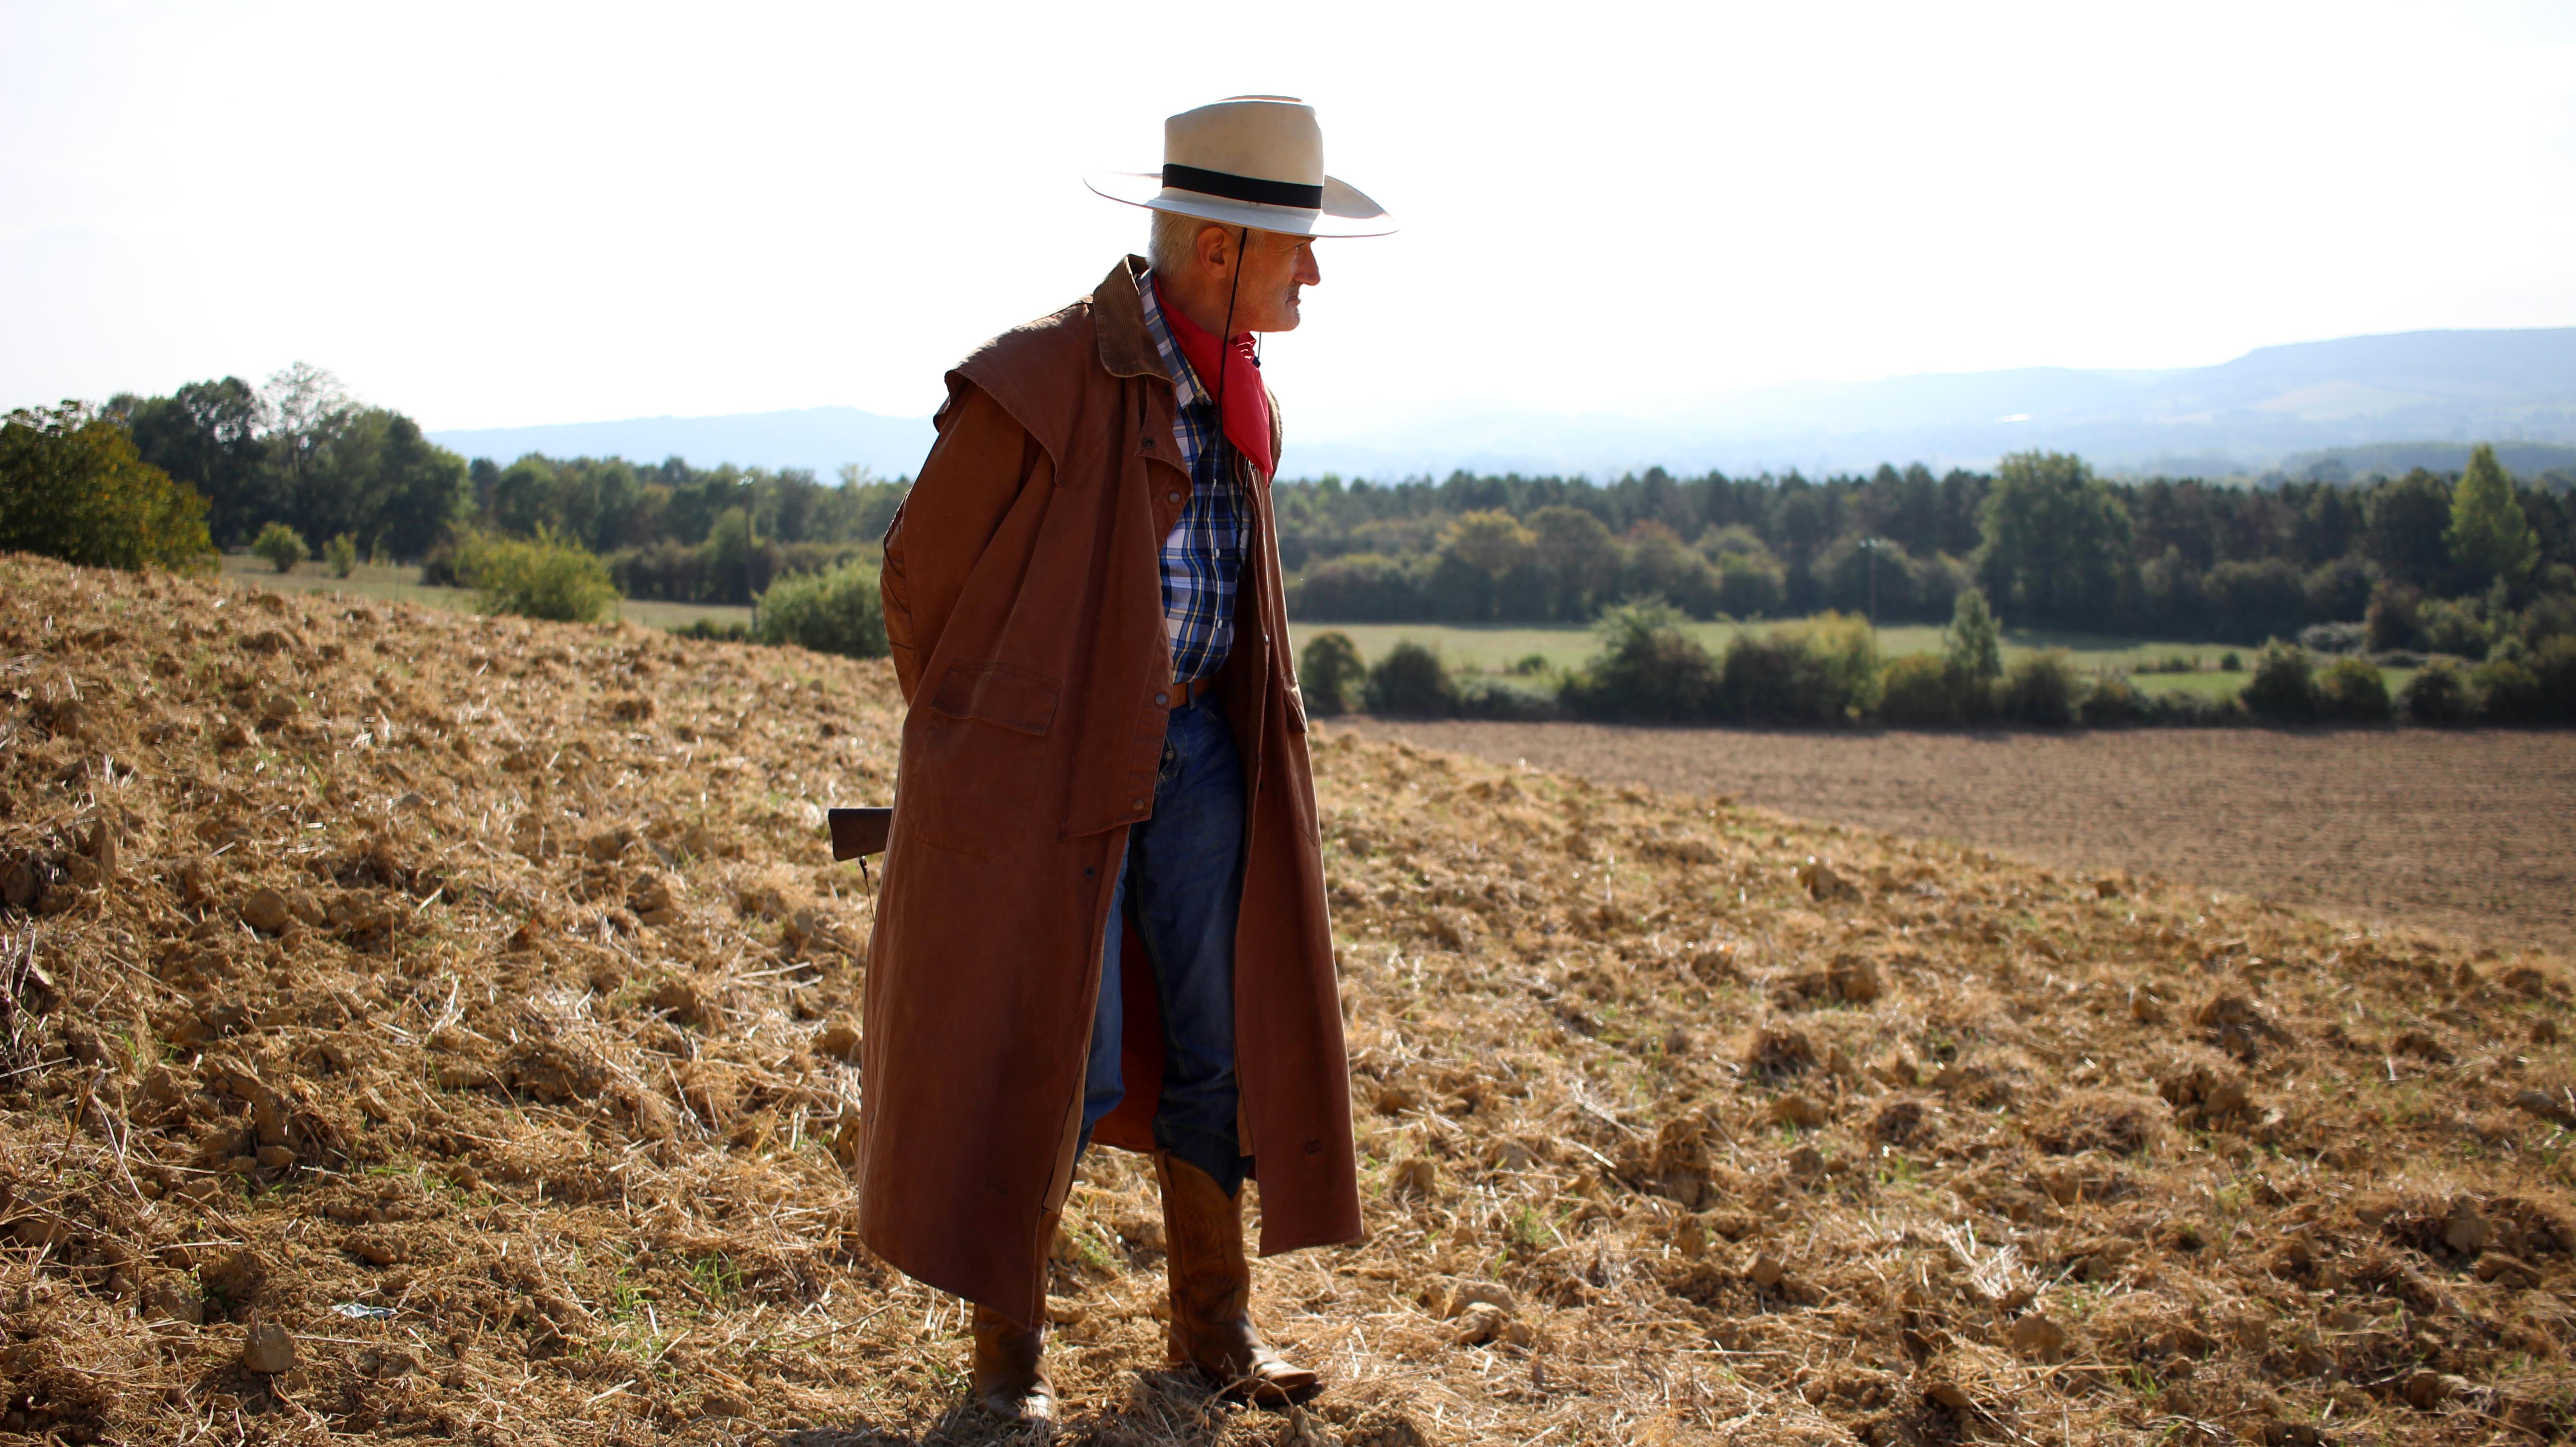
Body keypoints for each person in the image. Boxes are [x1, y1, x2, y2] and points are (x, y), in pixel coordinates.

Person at [854, 96, 1396, 1425]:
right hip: (1056, 778)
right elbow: (922, 577)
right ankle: (1008, 1371)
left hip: (1204, 753)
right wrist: (1000, 749)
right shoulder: (1038, 379)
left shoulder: (1238, 387)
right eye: (1297, 248)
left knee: (1217, 1042)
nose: (1314, 274)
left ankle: (1213, 1332)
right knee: (1051, 1053)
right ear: (1219, 249)